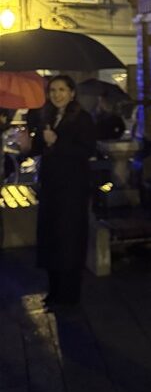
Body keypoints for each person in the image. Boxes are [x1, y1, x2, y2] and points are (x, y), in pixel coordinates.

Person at [31, 75, 96, 307]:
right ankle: (54, 290)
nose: (56, 95)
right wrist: (32, 143)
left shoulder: (82, 118)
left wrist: (56, 142)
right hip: (50, 187)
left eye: (61, 90)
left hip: (71, 190)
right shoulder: (47, 116)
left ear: (72, 93)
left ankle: (69, 295)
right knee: (51, 238)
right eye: (52, 90)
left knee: (68, 239)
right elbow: (41, 147)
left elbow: (86, 150)